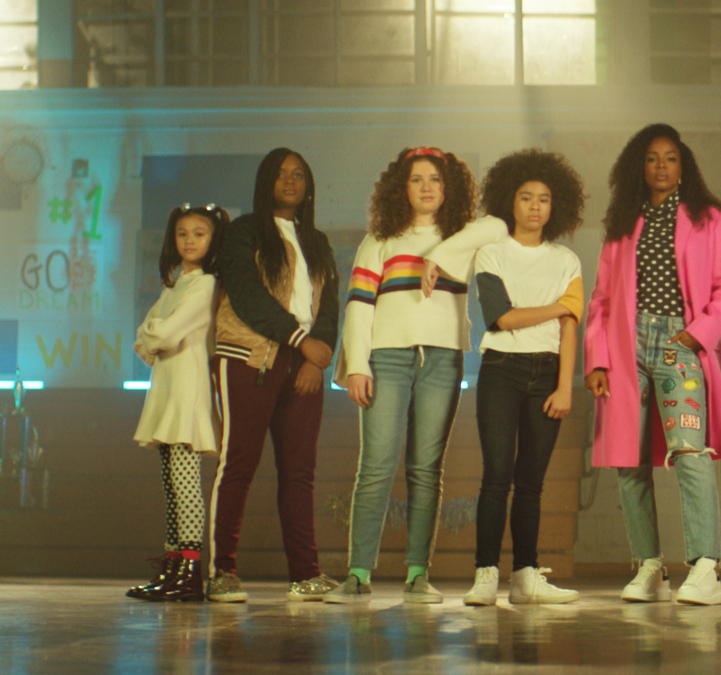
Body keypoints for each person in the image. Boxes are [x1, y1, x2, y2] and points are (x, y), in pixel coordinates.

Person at [584, 123, 721, 606]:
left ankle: (706, 567)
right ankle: (650, 565)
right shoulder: (623, 221)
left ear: (683, 164)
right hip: (627, 344)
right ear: (640, 165)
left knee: (691, 452)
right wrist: (599, 358)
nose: (661, 166)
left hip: (680, 342)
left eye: (670, 157)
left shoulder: (709, 217)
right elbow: (602, 298)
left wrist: (695, 336)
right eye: (652, 158)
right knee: (628, 462)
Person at [331, 146, 480, 604]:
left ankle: (418, 574)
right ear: (402, 188)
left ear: (448, 187)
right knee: (375, 467)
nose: (428, 187)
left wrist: (449, 248)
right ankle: (358, 573)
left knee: (425, 469)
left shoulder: (465, 236)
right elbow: (358, 305)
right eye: (417, 179)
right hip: (387, 359)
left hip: (443, 360)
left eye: (436, 178)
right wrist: (356, 365)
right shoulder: (381, 238)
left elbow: (495, 224)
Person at [449, 149, 588, 606]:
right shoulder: (491, 253)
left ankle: (526, 576)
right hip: (501, 371)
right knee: (496, 476)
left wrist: (566, 386)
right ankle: (486, 574)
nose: (534, 206)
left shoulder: (567, 260)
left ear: (556, 206)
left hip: (548, 373)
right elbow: (501, 318)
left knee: (532, 482)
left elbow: (571, 329)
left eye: (544, 199)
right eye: (526, 197)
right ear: (510, 202)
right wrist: (558, 306)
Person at [207, 149, 342, 603]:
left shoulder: (317, 241)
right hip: (248, 357)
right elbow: (247, 294)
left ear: (309, 184)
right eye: (281, 174)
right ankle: (221, 571)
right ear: (266, 181)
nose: (290, 180)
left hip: (300, 366)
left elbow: (328, 307)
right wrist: (300, 340)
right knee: (238, 464)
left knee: (299, 472)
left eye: (298, 174)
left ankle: (306, 574)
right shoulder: (244, 232)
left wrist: (314, 359)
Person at [126, 204, 226, 602]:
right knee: (172, 484)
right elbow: (144, 335)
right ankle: (173, 566)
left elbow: (162, 335)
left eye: (199, 233)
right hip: (166, 386)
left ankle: (190, 568)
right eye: (183, 233)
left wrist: (155, 333)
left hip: (187, 389)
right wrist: (154, 333)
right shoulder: (175, 285)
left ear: (212, 239)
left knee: (185, 484)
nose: (189, 240)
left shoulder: (205, 284)